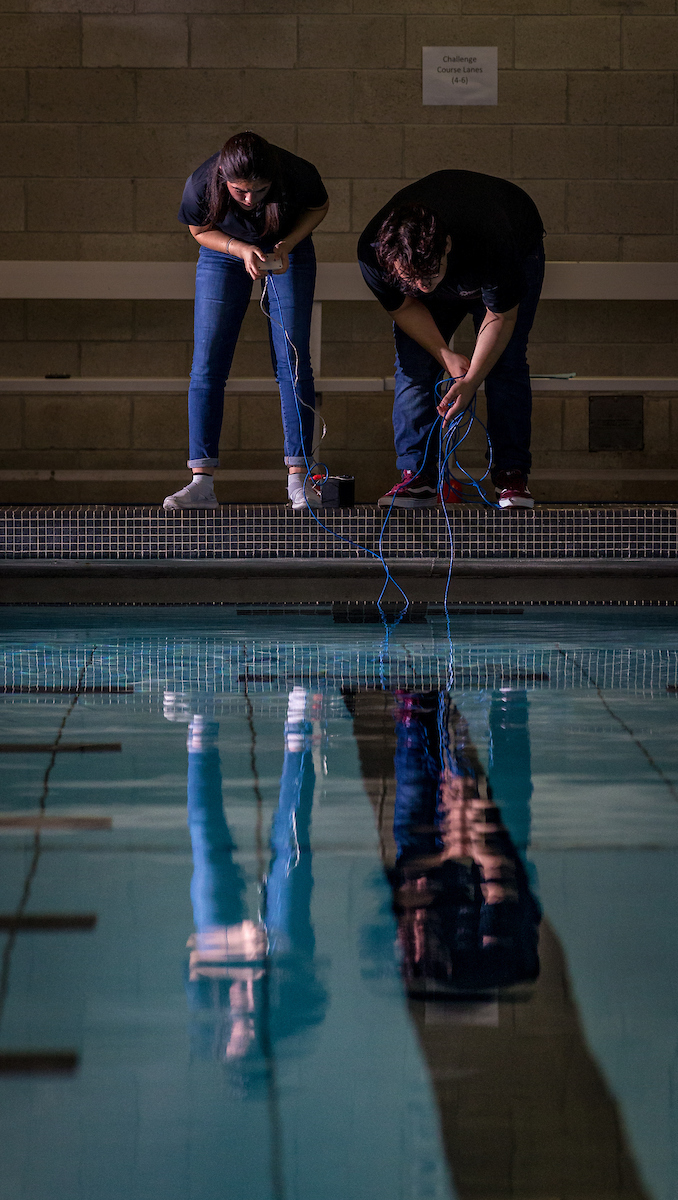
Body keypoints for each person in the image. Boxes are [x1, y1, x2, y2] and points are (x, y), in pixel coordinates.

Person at [357, 171, 545, 510]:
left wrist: (472, 379)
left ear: (446, 246)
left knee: (506, 362)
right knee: (414, 362)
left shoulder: (489, 239)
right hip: (447, 260)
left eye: (429, 275)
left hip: (514, 237)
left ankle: (511, 476)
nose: (423, 286)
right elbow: (405, 306)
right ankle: (418, 477)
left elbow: (502, 316)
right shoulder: (374, 254)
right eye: (410, 279)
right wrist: (445, 354)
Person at [165, 131, 329, 512]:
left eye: (260, 190)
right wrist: (239, 249)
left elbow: (319, 208)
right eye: (241, 192)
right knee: (207, 364)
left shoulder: (297, 173)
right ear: (224, 178)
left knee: (293, 360)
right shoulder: (201, 182)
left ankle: (299, 479)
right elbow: (198, 230)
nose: (251, 200)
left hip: (285, 250)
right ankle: (201, 482)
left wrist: (288, 243)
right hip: (224, 252)